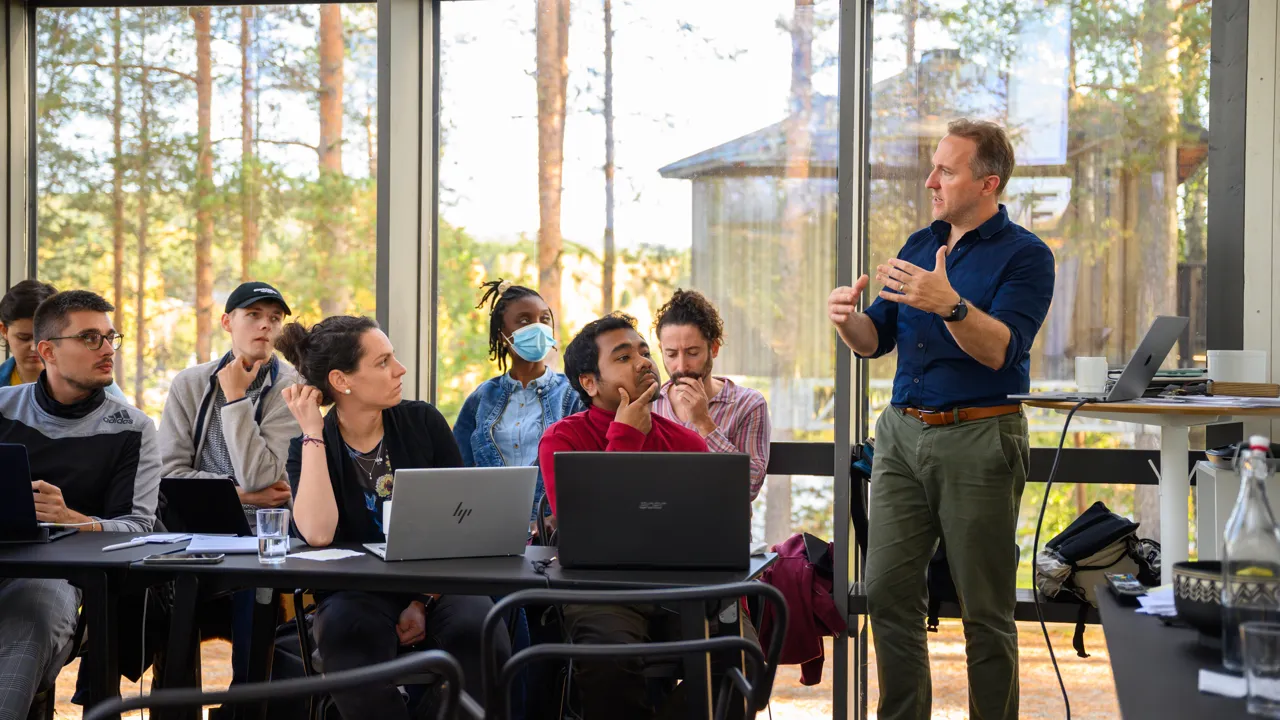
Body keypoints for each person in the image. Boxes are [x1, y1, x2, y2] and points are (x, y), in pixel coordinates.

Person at [826, 119, 1055, 720]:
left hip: (980, 435)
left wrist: (948, 303)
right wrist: (847, 318)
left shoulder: (1028, 257)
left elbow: (1002, 350)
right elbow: (875, 338)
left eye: (946, 170)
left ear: (988, 183)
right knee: (887, 593)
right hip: (900, 434)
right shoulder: (917, 246)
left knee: (986, 610)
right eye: (933, 167)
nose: (930, 180)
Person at [278, 315, 508, 720]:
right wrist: (313, 431)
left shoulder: (423, 422)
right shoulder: (308, 447)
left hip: (437, 584)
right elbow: (317, 533)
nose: (399, 369)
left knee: (481, 632)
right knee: (347, 636)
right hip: (356, 592)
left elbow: (461, 525)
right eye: (383, 362)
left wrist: (421, 601)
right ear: (341, 380)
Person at [537, 313, 752, 720]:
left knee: (742, 655)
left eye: (642, 350)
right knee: (608, 659)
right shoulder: (564, 439)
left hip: (683, 590)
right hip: (602, 593)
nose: (642, 361)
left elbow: (714, 523)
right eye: (622, 357)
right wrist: (626, 435)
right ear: (589, 383)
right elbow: (588, 525)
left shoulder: (686, 441)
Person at [0, 290, 160, 719]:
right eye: (91, 338)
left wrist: (75, 520)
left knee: (32, 613)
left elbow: (141, 529)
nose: (108, 350)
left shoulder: (134, 428)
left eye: (111, 338)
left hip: (57, 580)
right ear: (47, 351)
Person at [157, 281, 299, 690]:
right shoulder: (190, 383)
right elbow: (169, 476)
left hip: (263, 537)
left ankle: (246, 710)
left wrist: (235, 399)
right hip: (192, 531)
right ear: (227, 322)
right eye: (253, 316)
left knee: (256, 610)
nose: (265, 327)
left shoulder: (291, 387)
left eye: (274, 319)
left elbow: (262, 475)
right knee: (170, 618)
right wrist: (242, 494)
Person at [452, 279, 583, 521]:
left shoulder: (573, 395)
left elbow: (586, 471)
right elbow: (459, 469)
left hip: (550, 534)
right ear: (503, 336)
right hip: (488, 526)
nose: (537, 327)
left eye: (544, 319)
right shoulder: (480, 398)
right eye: (524, 320)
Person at [651, 288, 771, 502]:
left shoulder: (748, 404)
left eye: (693, 353)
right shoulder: (650, 403)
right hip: (658, 530)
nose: (681, 365)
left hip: (721, 532)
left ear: (713, 348)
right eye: (670, 354)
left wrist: (704, 423)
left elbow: (749, 488)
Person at [0, 279, 126, 399]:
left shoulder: (105, 392)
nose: (35, 347)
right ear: (4, 330)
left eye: (42, 337)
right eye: (24, 338)